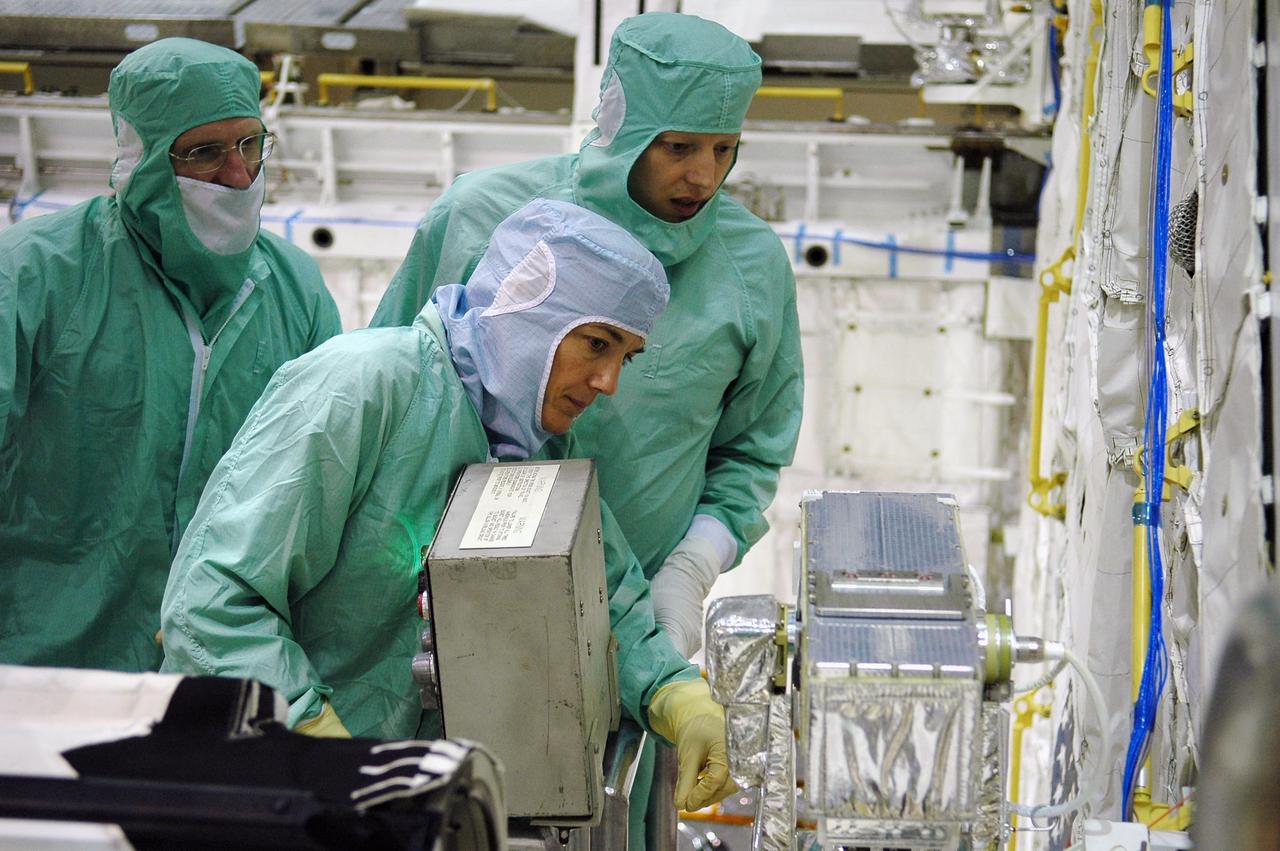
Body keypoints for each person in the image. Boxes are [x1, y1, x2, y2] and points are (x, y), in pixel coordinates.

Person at [160, 198, 736, 814]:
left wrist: (676, 693)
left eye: (625, 357)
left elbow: (603, 601)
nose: (608, 382)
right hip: (265, 787)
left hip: (395, 805)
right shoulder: (364, 386)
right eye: (596, 343)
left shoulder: (529, 450)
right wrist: (316, 741)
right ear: (529, 310)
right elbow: (213, 604)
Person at [370, 12, 804, 661]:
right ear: (622, 130)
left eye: (724, 148)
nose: (704, 178)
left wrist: (689, 567)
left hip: (628, 627)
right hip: (439, 609)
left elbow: (750, 451)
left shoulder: (750, 268)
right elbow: (393, 398)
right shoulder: (478, 218)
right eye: (679, 147)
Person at [0, 38, 341, 672]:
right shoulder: (34, 277)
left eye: (250, 144)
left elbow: (325, 489)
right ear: (148, 161)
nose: (238, 175)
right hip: (46, 663)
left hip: (225, 672)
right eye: (203, 152)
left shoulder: (295, 291)